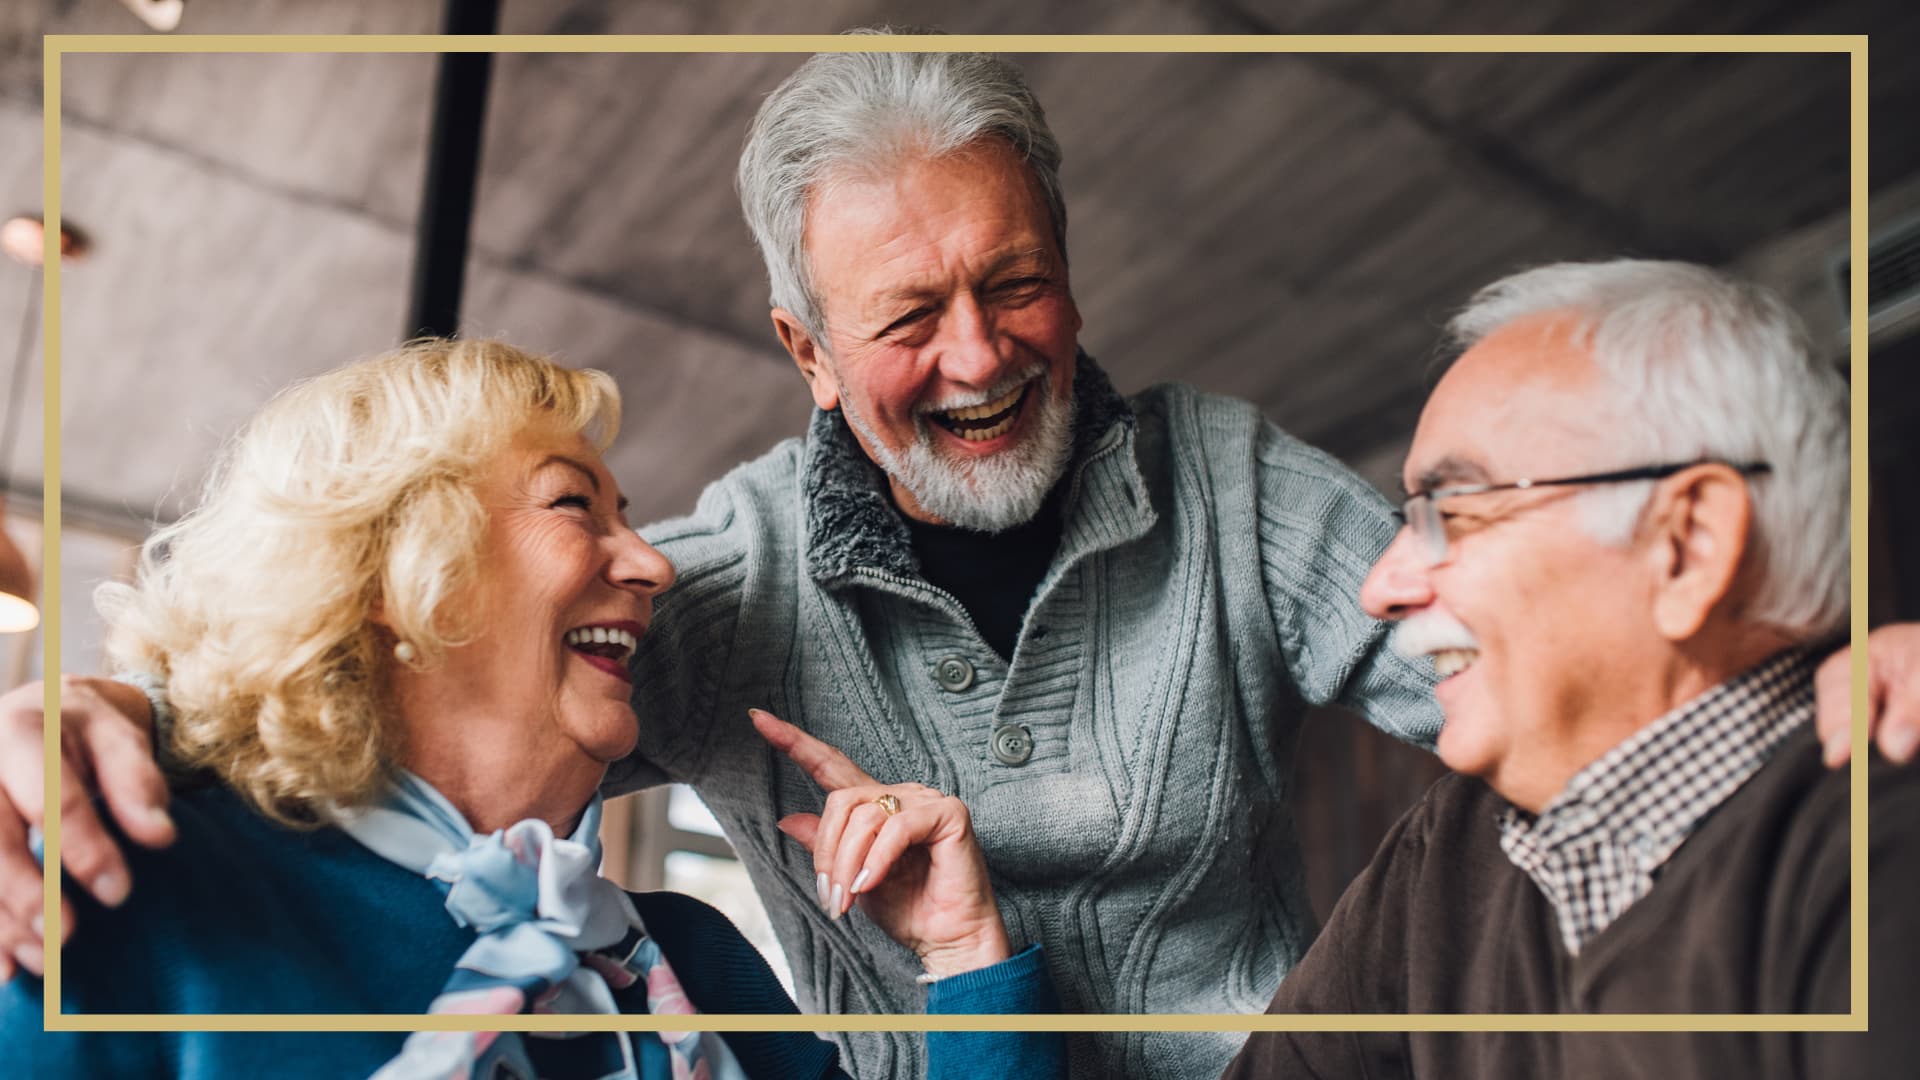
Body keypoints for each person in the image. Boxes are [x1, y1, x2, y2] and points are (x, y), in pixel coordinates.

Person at [3, 36, 1915, 1080]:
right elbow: (397, 676)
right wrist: (99, 719)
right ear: (806, 357)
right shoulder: (708, 583)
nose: (985, 353)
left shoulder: (1239, 487)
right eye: (911, 315)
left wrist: (1799, 665)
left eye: (1020, 284)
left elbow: (1550, 672)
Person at [0, 339, 1065, 1079]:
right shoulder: (120, 893)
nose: (651, 564)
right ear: (395, 571)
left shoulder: (692, 963)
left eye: (629, 520)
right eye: (574, 505)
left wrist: (966, 953)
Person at [1222, 260, 1917, 1078]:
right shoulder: (1446, 858)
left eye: (1452, 510)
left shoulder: (1876, 864)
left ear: (1688, 545)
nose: (1379, 588)